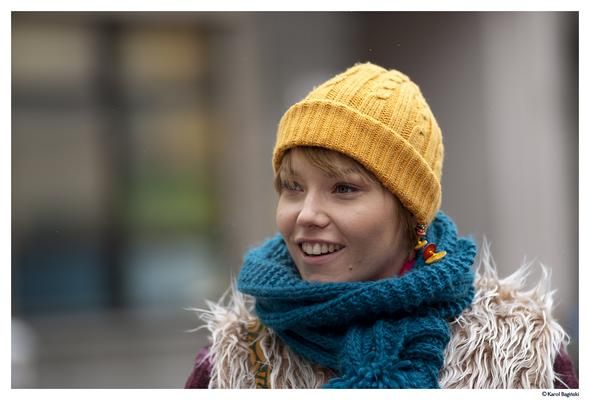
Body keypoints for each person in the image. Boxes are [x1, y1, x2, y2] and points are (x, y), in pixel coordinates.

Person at [185, 62, 578, 389]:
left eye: (343, 188)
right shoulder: (233, 363)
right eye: (293, 187)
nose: (306, 214)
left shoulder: (521, 355)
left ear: (409, 212)